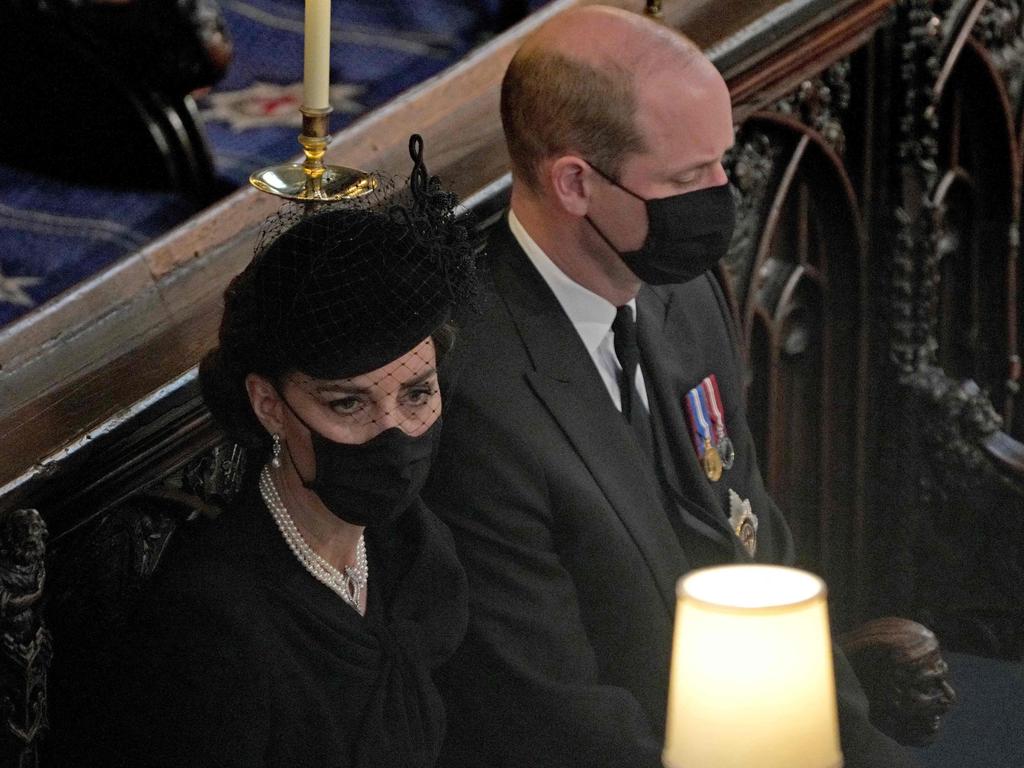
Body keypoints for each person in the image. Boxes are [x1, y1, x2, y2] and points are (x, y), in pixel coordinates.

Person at [424, 7, 918, 768]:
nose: (722, 196)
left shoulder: (679, 290)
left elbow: (756, 548)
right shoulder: (478, 395)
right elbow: (551, 712)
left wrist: (852, 747)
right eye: (690, 178)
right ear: (575, 183)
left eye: (723, 162)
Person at [94, 137, 474, 767]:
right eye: (348, 404)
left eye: (416, 394)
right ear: (270, 405)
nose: (395, 431)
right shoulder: (213, 629)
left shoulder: (412, 549)